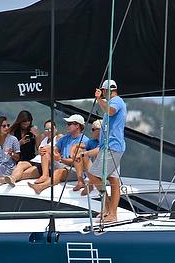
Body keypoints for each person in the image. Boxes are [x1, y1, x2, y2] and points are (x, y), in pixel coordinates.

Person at [88, 79, 127, 223]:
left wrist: (99, 99)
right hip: (112, 147)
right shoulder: (114, 102)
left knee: (92, 175)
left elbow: (111, 111)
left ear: (105, 91)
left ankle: (108, 209)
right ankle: (112, 213)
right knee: (113, 180)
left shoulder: (116, 101)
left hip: (112, 147)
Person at [28, 114, 86, 194]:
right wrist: (52, 152)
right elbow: (55, 149)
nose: (67, 126)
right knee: (46, 148)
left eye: (69, 124)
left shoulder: (84, 141)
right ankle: (45, 175)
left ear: (77, 126)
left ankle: (41, 187)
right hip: (62, 163)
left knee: (59, 172)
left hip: (75, 169)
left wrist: (60, 159)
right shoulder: (65, 138)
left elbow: (77, 161)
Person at [72, 119, 102, 195]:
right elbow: (78, 145)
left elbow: (98, 150)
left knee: (83, 155)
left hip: (104, 173)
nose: (91, 132)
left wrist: (83, 154)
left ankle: (91, 183)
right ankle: (80, 181)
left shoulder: (106, 142)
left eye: (93, 129)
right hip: (95, 171)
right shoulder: (93, 142)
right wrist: (72, 153)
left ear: (99, 130)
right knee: (79, 151)